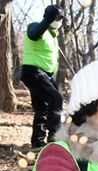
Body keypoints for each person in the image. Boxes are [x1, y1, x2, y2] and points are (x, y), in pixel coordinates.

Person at [21, 5, 65, 148]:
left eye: (61, 18)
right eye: (56, 17)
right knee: (56, 98)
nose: (59, 21)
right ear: (49, 17)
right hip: (33, 71)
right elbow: (33, 34)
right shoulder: (36, 27)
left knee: (42, 108)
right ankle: (54, 136)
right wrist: (46, 20)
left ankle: (37, 142)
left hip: (44, 74)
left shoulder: (53, 35)